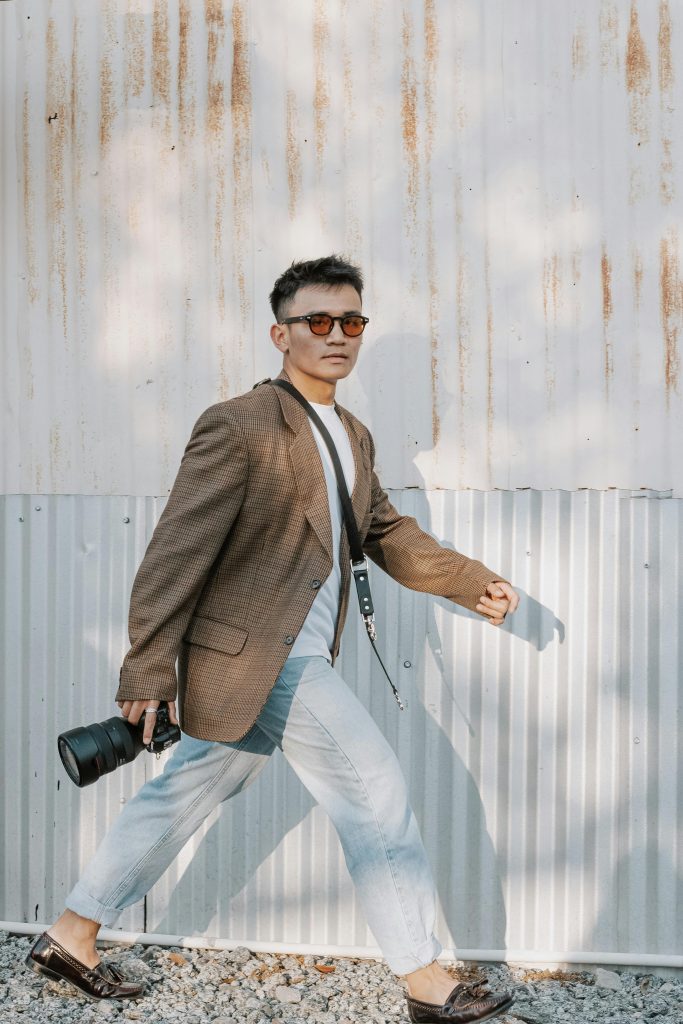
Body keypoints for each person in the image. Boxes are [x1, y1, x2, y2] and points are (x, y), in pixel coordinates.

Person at [27, 256, 520, 1023]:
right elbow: (175, 552)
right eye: (317, 321)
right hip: (264, 656)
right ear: (280, 334)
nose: (336, 335)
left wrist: (468, 580)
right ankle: (424, 978)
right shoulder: (240, 424)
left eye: (351, 321)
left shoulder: (350, 434)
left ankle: (71, 934)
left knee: (183, 792)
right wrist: (149, 667)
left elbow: (384, 531)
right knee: (373, 787)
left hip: (273, 664)